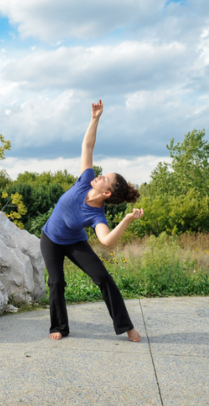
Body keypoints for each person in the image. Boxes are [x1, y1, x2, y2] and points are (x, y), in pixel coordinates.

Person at [40, 99, 144, 342]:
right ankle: (59, 327)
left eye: (104, 178)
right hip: (51, 238)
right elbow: (87, 147)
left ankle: (127, 327)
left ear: (107, 193)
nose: (98, 175)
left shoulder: (97, 215)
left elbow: (106, 240)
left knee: (103, 278)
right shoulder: (85, 179)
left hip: (75, 243)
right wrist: (95, 118)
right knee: (56, 281)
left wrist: (127, 219)